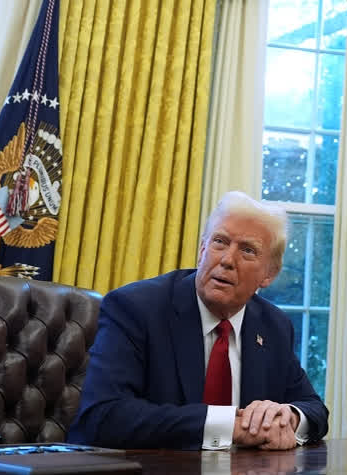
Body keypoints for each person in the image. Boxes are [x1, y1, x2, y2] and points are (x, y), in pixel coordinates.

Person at [69, 191, 329, 450]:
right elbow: (103, 417)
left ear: (269, 273)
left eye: (247, 250)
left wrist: (287, 417)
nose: (227, 260)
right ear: (202, 249)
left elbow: (314, 408)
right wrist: (230, 426)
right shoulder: (135, 308)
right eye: (220, 242)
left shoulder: (273, 325)